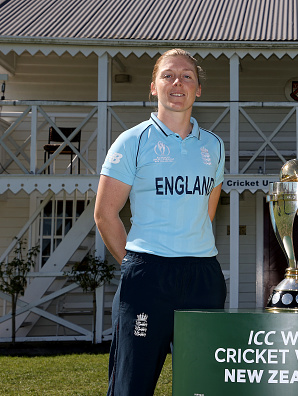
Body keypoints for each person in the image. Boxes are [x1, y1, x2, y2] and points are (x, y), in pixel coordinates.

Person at [94, 48, 227, 396]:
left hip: (202, 277)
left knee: (203, 386)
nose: (177, 82)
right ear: (153, 86)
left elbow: (207, 211)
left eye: (187, 76)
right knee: (132, 386)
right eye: (168, 75)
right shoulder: (132, 141)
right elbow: (104, 214)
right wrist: (136, 266)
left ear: (198, 89)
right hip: (146, 276)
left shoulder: (213, 146)